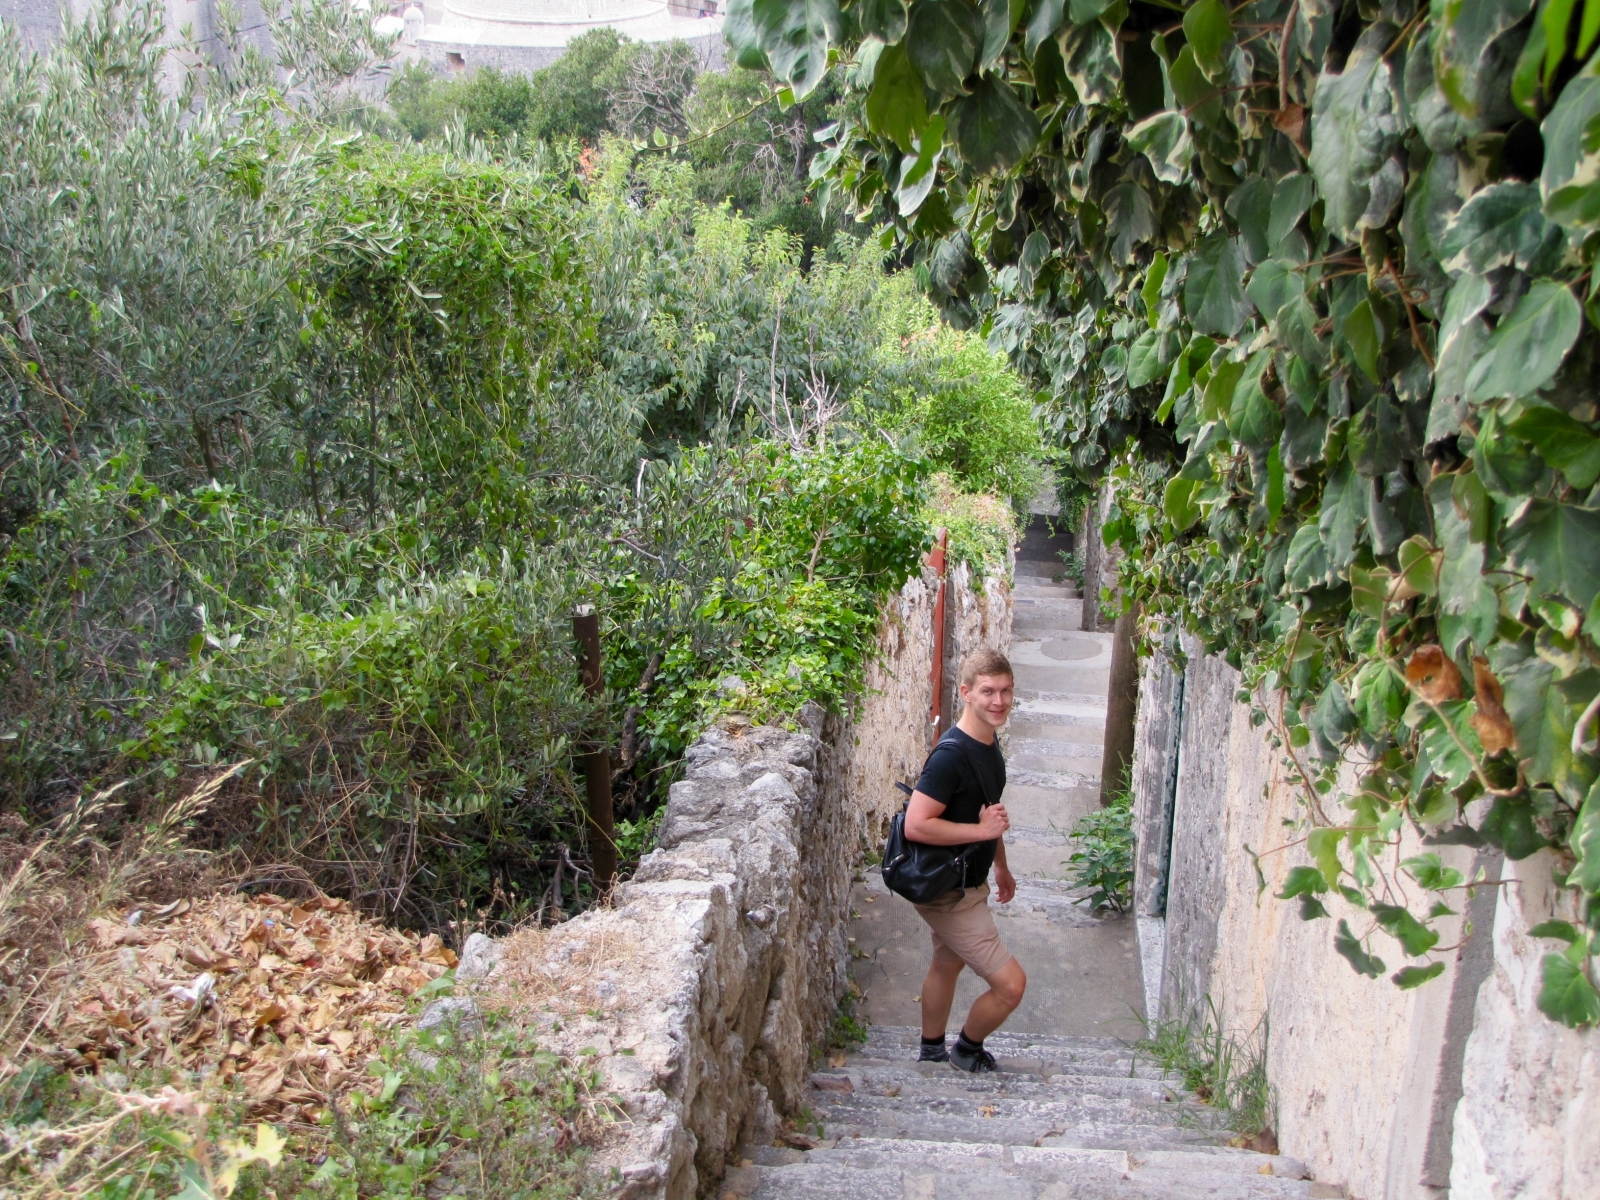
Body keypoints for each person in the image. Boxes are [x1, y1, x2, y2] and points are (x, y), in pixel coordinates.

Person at [902, 647, 1025, 1074]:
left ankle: (931, 1051)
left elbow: (989, 813)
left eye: (1006, 691)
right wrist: (982, 834)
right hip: (948, 893)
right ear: (967, 693)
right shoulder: (951, 756)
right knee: (1011, 986)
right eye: (988, 691)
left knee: (947, 961)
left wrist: (1000, 864)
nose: (999, 701)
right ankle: (966, 1051)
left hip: (967, 881)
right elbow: (916, 825)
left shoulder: (988, 743)